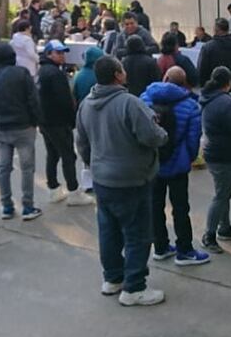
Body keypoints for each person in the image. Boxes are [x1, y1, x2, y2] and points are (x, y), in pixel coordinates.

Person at [76, 56, 169, 306]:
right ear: (117, 75)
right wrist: (163, 133)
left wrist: (94, 164)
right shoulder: (129, 103)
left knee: (109, 231)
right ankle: (134, 287)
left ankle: (113, 278)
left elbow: (82, 142)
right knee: (137, 234)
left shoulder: (86, 104)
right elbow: (152, 136)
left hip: (102, 179)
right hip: (131, 179)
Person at [141, 67, 208, 267]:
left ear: (165, 77)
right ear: (184, 82)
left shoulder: (144, 99)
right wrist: (189, 157)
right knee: (180, 208)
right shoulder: (190, 106)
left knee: (155, 206)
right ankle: (184, 250)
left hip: (152, 162)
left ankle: (160, 246)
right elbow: (193, 137)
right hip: (178, 163)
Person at [0, 44, 42, 221]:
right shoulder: (22, 73)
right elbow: (33, 100)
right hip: (23, 127)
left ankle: (6, 206)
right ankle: (28, 206)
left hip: (0, 128)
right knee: (27, 168)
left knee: (3, 168)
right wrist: (36, 121)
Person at [199, 66, 231, 254]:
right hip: (226, 154)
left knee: (223, 193)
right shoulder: (226, 103)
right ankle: (209, 234)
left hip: (215, 152)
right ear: (228, 83)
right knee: (221, 195)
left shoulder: (208, 99)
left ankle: (224, 227)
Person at [37, 41, 93, 207]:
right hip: (58, 121)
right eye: (58, 52)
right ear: (49, 54)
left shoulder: (42, 71)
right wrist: (71, 119)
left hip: (45, 120)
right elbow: (64, 100)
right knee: (68, 155)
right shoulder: (55, 74)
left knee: (53, 154)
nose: (62, 56)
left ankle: (53, 188)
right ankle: (73, 191)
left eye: (63, 52)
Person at [197, 18, 231, 98]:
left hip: (213, 90)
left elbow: (202, 69)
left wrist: (204, 86)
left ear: (215, 30)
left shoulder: (208, 47)